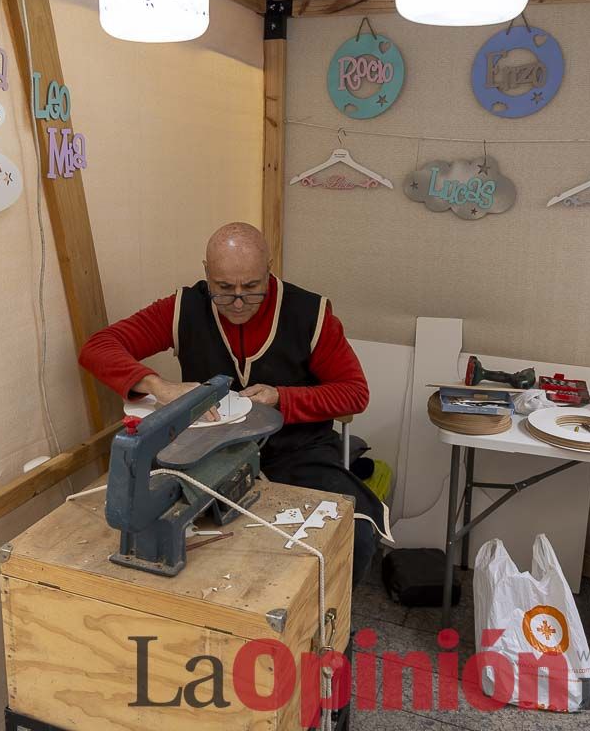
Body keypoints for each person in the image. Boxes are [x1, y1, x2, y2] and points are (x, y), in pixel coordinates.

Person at [79, 222, 384, 586]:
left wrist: (282, 397)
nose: (238, 301)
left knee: (356, 531)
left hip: (297, 452)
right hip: (207, 456)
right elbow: (97, 347)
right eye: (223, 289)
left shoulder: (310, 314)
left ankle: (329, 633)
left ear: (269, 271)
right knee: (173, 544)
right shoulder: (185, 307)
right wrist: (157, 385)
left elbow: (354, 392)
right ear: (207, 273)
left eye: (252, 288)